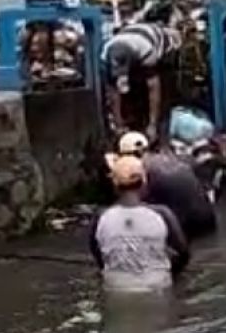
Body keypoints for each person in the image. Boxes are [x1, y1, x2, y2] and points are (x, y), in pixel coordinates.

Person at [91, 154, 190, 293]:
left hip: (115, 289)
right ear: (144, 182)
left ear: (115, 185)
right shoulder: (162, 214)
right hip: (158, 287)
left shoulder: (101, 217)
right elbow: (184, 254)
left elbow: (98, 255)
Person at [117, 132, 219, 240]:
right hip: (208, 219)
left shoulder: (140, 170)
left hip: (185, 227)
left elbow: (136, 204)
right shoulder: (171, 157)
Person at [102, 15, 183, 143]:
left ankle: (161, 138)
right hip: (133, 46)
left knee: (163, 94)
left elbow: (153, 88)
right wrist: (118, 124)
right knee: (131, 94)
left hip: (162, 48)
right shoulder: (106, 53)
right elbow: (113, 92)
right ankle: (134, 127)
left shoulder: (146, 51)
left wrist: (152, 125)